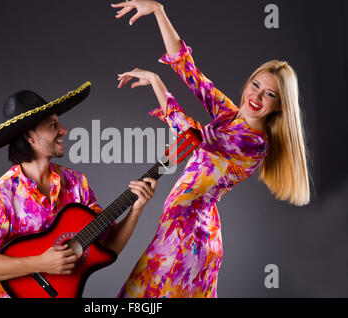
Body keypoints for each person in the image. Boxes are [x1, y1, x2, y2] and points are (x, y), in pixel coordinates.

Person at [111, 0, 310, 297]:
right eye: (255, 85)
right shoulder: (231, 116)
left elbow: (191, 134)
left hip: (188, 241)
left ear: (279, 106)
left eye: (269, 94)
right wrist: (159, 12)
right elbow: (189, 70)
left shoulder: (254, 143)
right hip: (184, 233)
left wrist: (155, 80)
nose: (256, 96)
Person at [0, 82, 157, 298]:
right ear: (29, 136)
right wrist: (40, 263)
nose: (64, 130)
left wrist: (136, 209)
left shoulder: (76, 183)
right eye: (53, 124)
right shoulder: (2, 195)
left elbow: (107, 247)